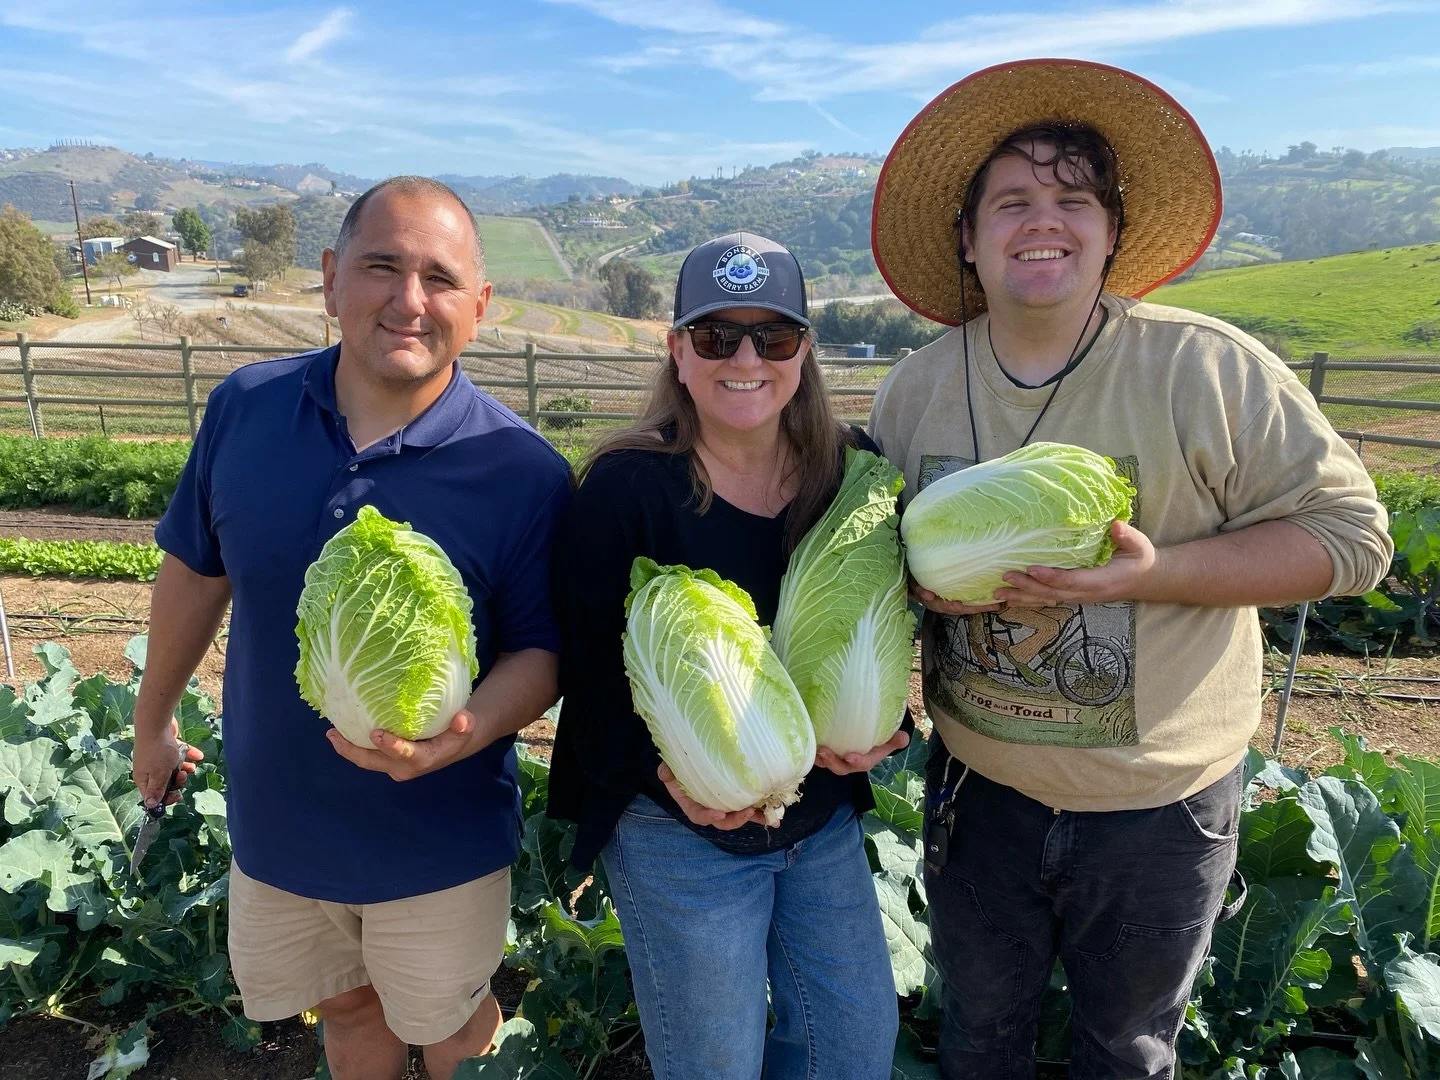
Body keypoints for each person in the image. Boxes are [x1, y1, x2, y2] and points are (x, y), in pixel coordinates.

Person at [867, 60, 1393, 1079]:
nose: (1042, 222)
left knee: (1128, 1053)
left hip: (1163, 809)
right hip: (980, 794)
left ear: (1111, 232)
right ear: (968, 240)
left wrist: (1146, 577)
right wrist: (913, 591)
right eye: (1011, 201)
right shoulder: (917, 388)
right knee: (980, 1040)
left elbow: (1354, 540)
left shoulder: (1208, 368)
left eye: (1072, 200)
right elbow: (875, 562)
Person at [132, 176, 571, 1080]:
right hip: (281, 821)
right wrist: (153, 719)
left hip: (438, 835)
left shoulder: (520, 469)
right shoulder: (244, 409)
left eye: (441, 279)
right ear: (331, 277)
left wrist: (464, 735)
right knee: (341, 1004)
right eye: (382, 266)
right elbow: (196, 571)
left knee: (451, 1026)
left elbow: (542, 649)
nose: (409, 301)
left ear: (479, 307)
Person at [548, 232, 904, 1080]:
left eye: (772, 336)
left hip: (817, 814)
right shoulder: (625, 487)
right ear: (677, 350)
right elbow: (591, 681)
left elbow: (883, 620)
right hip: (674, 824)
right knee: (713, 1062)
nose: (745, 357)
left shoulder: (850, 473)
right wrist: (681, 782)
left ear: (804, 351)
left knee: (853, 1045)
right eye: (715, 336)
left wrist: (886, 728)